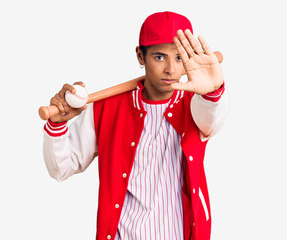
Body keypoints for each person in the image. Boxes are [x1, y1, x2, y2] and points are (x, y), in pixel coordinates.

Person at [43, 11, 229, 240]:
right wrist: (57, 124)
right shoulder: (105, 108)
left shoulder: (195, 105)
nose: (171, 69)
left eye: (179, 57)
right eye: (159, 57)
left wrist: (213, 91)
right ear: (140, 56)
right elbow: (61, 168)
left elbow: (213, 118)